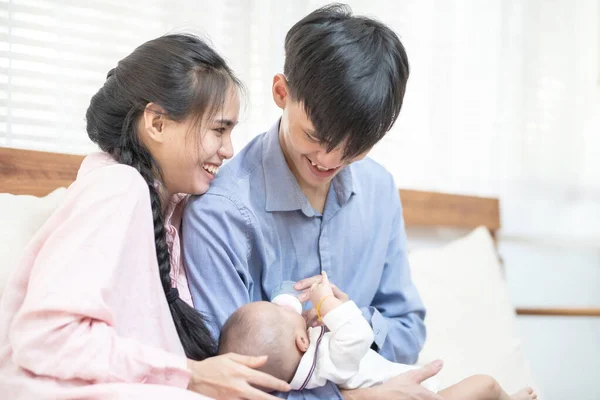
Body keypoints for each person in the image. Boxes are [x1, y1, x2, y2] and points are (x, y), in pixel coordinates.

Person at [0, 34, 290, 399]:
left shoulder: (175, 209)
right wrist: (189, 375)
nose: (229, 150)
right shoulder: (117, 188)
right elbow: (48, 337)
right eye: (218, 129)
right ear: (156, 124)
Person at [183, 4, 439, 399]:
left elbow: (408, 329)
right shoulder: (219, 213)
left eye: (355, 148)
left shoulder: (378, 189)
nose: (330, 161)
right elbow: (233, 381)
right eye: (316, 136)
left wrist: (349, 324)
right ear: (282, 93)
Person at [218, 272, 538, 400]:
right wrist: (325, 303)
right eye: (290, 314)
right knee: (487, 385)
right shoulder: (326, 361)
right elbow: (357, 335)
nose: (297, 310)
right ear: (302, 342)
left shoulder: (306, 375)